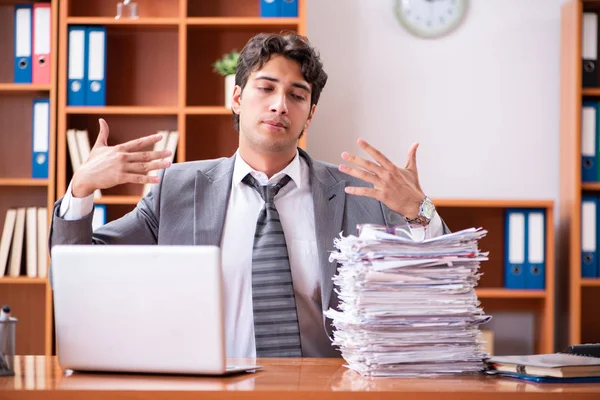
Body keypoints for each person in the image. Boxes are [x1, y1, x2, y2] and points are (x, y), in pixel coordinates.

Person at [50, 32, 450, 358]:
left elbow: (441, 286)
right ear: (238, 99)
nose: (280, 105)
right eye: (266, 88)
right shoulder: (176, 189)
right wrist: (80, 189)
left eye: (297, 95)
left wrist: (420, 211)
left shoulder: (356, 192)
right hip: (208, 388)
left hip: (325, 388)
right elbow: (72, 274)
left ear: (309, 114)